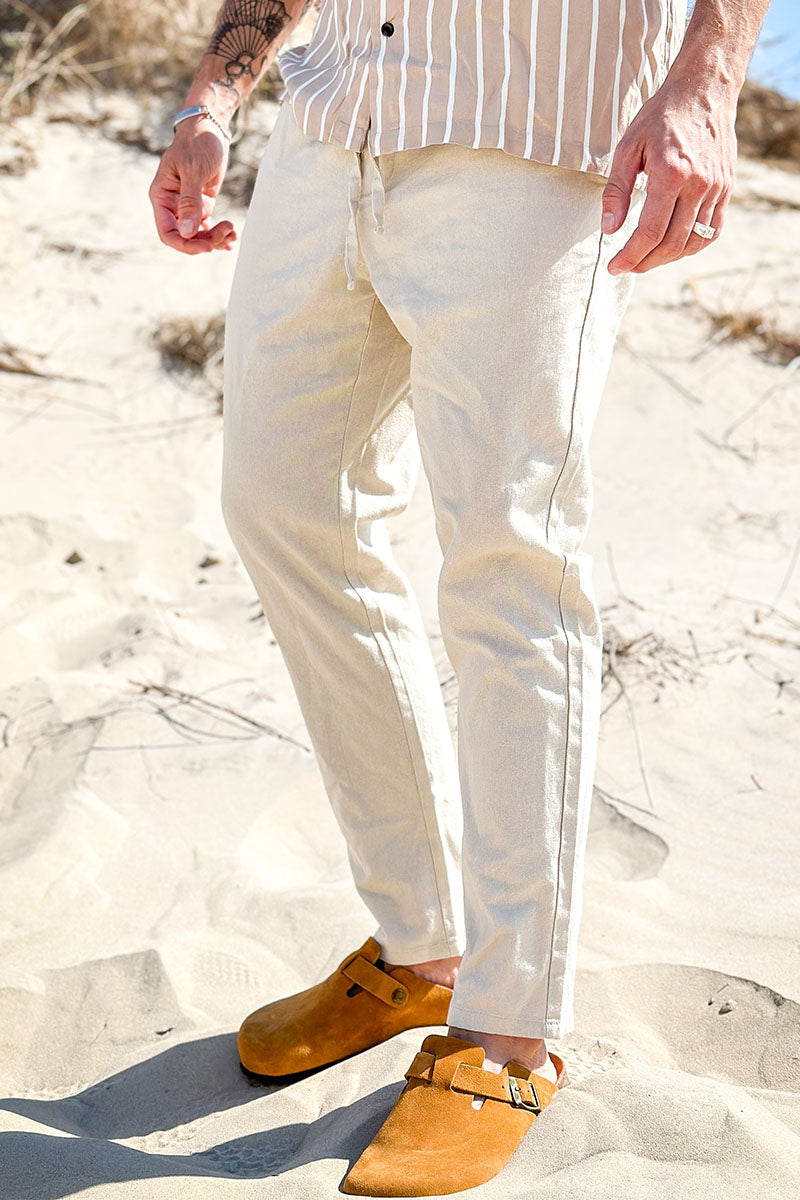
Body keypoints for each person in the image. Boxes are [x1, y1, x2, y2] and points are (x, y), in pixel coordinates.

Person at [149, 1, 771, 1193]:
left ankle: (509, 1028)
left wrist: (704, 84)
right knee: (284, 506)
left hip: (537, 130)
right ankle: (422, 947)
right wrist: (211, 100)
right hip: (331, 124)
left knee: (507, 555)